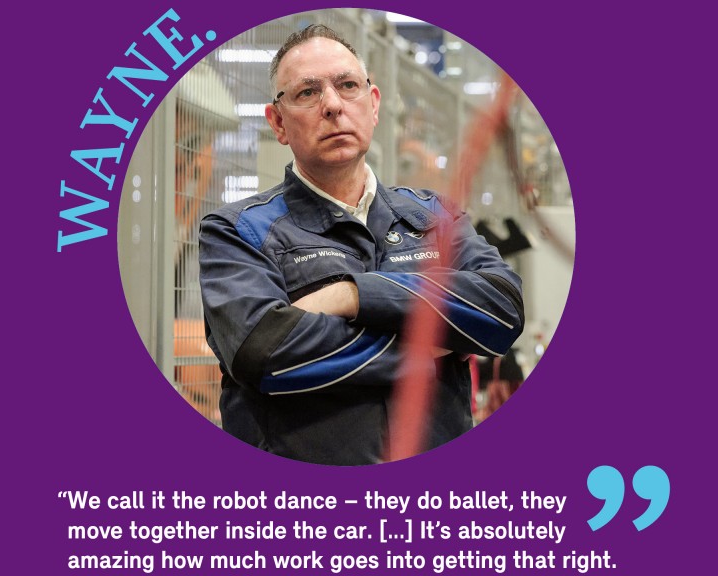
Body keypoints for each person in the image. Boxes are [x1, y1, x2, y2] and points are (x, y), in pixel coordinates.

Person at [199, 24, 524, 465]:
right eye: (307, 93)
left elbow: (502, 310)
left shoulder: (435, 216)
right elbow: (265, 354)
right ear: (277, 123)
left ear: (372, 106)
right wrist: (429, 342)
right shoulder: (236, 231)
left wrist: (350, 295)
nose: (332, 105)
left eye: (347, 85)